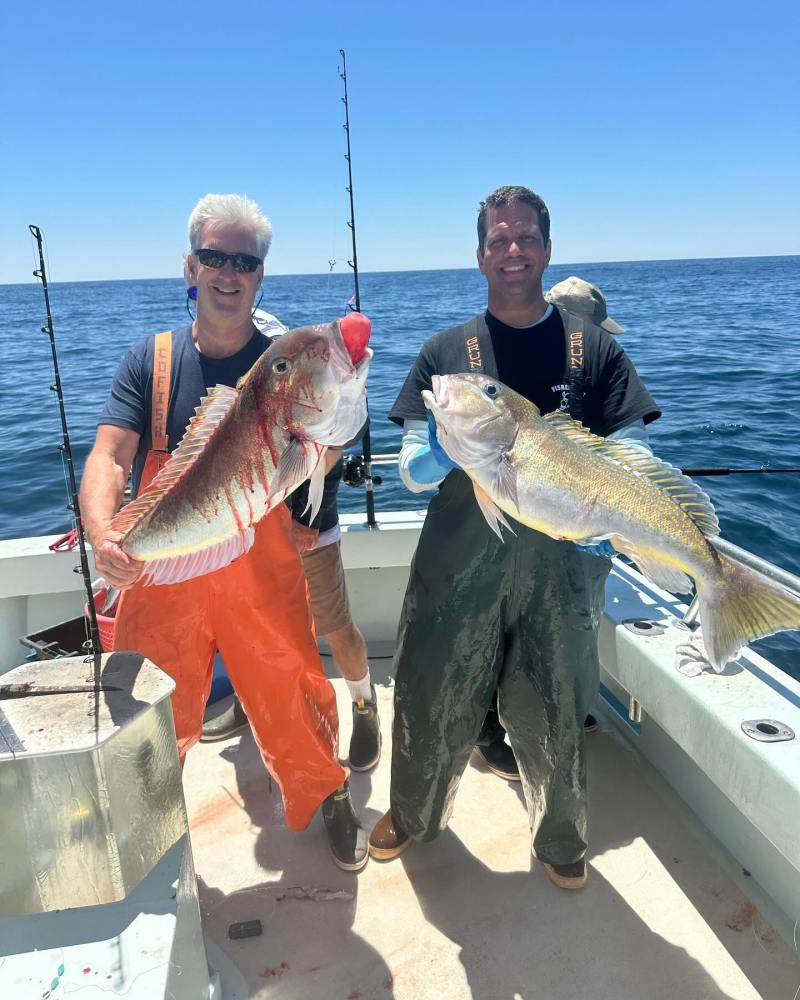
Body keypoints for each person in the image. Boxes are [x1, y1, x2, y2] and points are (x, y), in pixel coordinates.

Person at [368, 185, 660, 889]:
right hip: (459, 557)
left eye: (526, 237)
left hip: (563, 558)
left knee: (558, 696)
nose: (513, 250)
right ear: (479, 255)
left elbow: (635, 457)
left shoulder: (595, 350)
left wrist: (620, 523)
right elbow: (411, 464)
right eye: (498, 239)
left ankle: (561, 835)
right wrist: (435, 453)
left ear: (547, 249)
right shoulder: (445, 351)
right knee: (428, 684)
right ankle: (412, 814)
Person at [79, 193, 368, 871]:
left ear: (260, 275)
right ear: (191, 265)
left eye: (246, 260)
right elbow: (111, 455)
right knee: (150, 707)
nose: (230, 273)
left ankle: (329, 794)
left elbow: (317, 456)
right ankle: (142, 827)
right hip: (164, 572)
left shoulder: (284, 360)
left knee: (294, 690)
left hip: (258, 567)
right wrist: (103, 533)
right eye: (216, 257)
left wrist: (330, 433)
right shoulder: (146, 361)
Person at [200, 316, 381, 774]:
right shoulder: (246, 396)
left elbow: (335, 441)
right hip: (253, 540)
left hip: (312, 532)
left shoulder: (329, 395)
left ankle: (364, 703)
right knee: (252, 632)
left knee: (336, 627)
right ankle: (249, 701)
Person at [473, 276, 626, 781]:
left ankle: (568, 707)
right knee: (502, 627)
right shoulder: (497, 364)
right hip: (515, 518)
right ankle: (492, 727)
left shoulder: (604, 361)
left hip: (586, 522)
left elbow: (631, 440)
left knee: (578, 624)